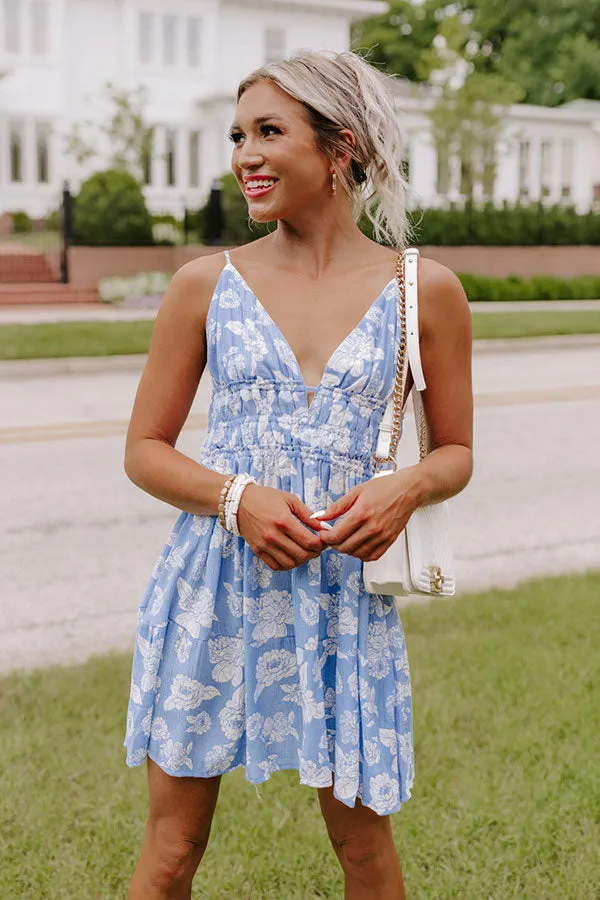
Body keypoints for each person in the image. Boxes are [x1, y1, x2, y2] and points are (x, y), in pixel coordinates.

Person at [123, 49, 473, 900]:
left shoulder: (424, 291)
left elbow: (456, 452)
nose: (245, 153)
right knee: (172, 853)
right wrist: (235, 498)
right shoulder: (206, 285)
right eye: (238, 134)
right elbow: (145, 449)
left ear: (340, 147)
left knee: (364, 853)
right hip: (214, 586)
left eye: (269, 132)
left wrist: (409, 484)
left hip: (344, 599)